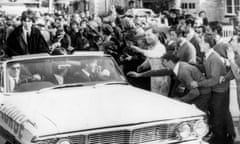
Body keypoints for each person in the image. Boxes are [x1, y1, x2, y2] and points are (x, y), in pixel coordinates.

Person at [190, 33, 235, 144]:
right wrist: (195, 65)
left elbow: (214, 80)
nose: (199, 44)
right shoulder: (208, 55)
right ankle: (225, 136)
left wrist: (198, 84)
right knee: (218, 114)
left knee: (217, 116)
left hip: (219, 91)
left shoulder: (213, 58)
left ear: (207, 44)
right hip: (216, 90)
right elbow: (207, 69)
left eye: (201, 42)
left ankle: (219, 139)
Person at [128, 53, 211, 112]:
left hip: (203, 94)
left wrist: (179, 100)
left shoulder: (183, 71)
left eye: (163, 62)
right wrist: (140, 75)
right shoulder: (178, 65)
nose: (162, 64)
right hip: (199, 91)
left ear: (169, 61)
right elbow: (159, 72)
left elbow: (195, 92)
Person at [130, 28, 169, 96]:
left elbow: (153, 54)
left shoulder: (161, 47)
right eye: (146, 35)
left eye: (149, 35)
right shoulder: (151, 47)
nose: (146, 37)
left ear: (156, 35)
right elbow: (149, 59)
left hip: (163, 79)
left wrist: (140, 50)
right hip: (153, 77)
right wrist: (142, 66)